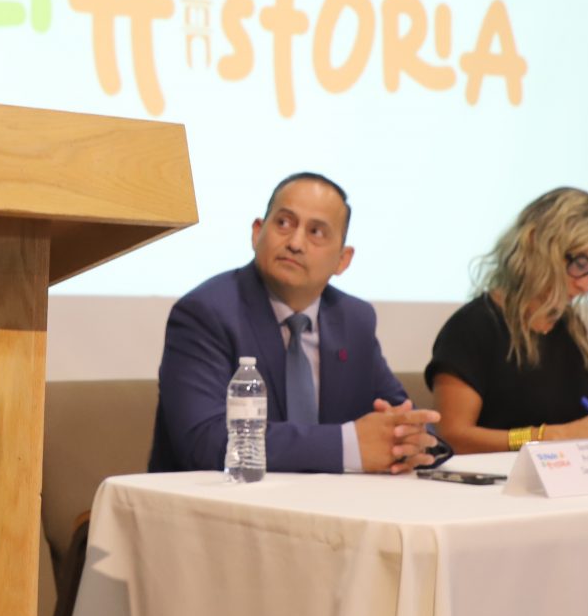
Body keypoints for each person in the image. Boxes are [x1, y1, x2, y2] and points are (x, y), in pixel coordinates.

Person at [149, 172, 441, 473]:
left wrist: (410, 441)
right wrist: (348, 446)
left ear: (343, 260)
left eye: (316, 232)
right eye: (284, 223)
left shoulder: (353, 320)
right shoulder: (207, 312)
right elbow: (204, 441)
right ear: (257, 233)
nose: (296, 243)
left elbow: (407, 418)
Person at [427, 187, 588, 454]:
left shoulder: (572, 332)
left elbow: (575, 431)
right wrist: (545, 437)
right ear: (535, 244)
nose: (585, 285)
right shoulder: (472, 327)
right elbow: (453, 437)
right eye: (581, 265)